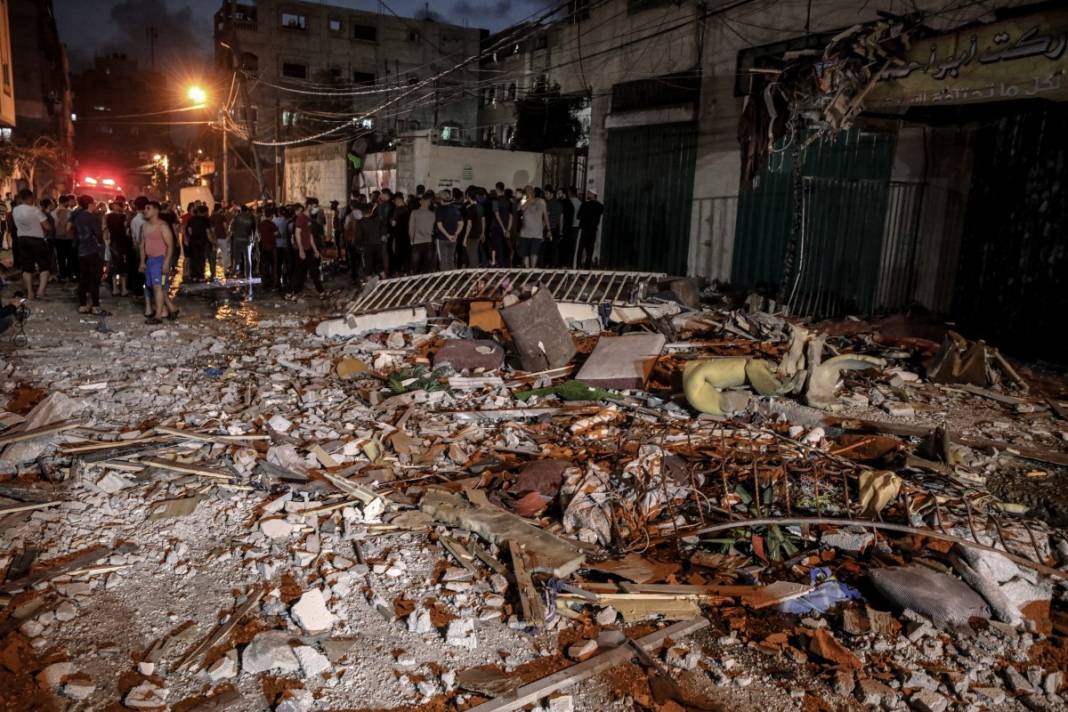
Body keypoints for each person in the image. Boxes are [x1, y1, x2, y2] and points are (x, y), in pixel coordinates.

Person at [139, 200, 178, 323]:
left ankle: (158, 316)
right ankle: (173, 309)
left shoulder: (163, 226)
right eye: (145, 208)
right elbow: (142, 245)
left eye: (148, 208)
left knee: (158, 287)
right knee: (158, 287)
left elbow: (170, 245)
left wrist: (166, 263)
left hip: (160, 260)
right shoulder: (144, 226)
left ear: (156, 210)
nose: (145, 210)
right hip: (150, 260)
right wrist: (142, 262)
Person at [11, 189, 51, 299]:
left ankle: (30, 292)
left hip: (22, 239)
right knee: (44, 266)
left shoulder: (15, 210)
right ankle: (40, 291)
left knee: (27, 267)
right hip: (37, 239)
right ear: (30, 198)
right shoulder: (35, 210)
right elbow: (47, 226)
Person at [72, 194, 107, 314]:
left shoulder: (77, 217)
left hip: (81, 251)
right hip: (93, 251)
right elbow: (98, 235)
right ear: (90, 204)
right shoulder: (93, 218)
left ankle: (82, 304)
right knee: (94, 279)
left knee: (83, 278)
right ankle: (95, 306)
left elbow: (75, 234)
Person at [289, 203, 324, 299]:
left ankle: (319, 291)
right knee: (301, 272)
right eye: (314, 206)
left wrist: (315, 249)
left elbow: (310, 236)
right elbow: (297, 234)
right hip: (302, 249)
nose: (315, 209)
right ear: (309, 206)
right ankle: (294, 292)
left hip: (308, 249)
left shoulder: (307, 219)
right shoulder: (301, 218)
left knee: (309, 271)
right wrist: (301, 249)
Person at [518, 187, 550, 268]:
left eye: (531, 191)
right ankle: (528, 270)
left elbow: (545, 216)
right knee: (525, 254)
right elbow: (520, 208)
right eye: (527, 191)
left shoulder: (541, 201)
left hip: (537, 233)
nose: (530, 192)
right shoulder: (524, 200)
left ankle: (532, 270)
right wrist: (526, 199)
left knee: (534, 253)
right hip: (525, 233)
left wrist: (548, 229)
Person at [105, 201, 132, 296]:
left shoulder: (111, 217)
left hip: (117, 242)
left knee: (117, 265)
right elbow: (124, 228)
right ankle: (121, 288)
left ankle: (117, 288)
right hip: (119, 243)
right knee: (120, 265)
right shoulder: (116, 217)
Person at [408, 192, 436, 273]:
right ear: (429, 203)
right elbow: (434, 229)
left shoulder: (414, 213)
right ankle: (426, 282)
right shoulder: (433, 214)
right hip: (428, 241)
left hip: (417, 241)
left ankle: (414, 281)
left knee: (414, 265)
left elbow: (411, 228)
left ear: (421, 201)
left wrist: (411, 239)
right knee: (427, 265)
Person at [434, 189, 461, 270]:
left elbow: (439, 225)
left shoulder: (439, 209)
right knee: (451, 258)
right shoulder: (456, 209)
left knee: (443, 259)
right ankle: (451, 278)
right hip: (454, 239)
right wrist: (456, 234)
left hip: (442, 238)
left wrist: (448, 236)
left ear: (441, 199)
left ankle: (445, 279)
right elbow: (461, 223)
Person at [184, 205, 213, 281]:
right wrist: (212, 241)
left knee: (194, 258)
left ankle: (194, 276)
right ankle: (200, 276)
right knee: (201, 259)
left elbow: (189, 230)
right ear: (204, 212)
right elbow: (208, 232)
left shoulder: (191, 219)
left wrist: (192, 237)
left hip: (193, 241)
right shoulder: (205, 220)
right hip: (202, 241)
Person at [576, 190, 604, 269]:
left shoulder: (584, 204)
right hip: (593, 231)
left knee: (580, 249)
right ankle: (587, 268)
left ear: (593, 195)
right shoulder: (600, 206)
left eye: (589, 193)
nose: (588, 194)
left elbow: (578, 216)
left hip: (584, 229)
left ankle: (577, 266)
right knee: (590, 250)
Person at [51, 195, 75, 281]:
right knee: (69, 257)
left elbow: (53, 226)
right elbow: (71, 225)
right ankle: (69, 274)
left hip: (57, 237)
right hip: (68, 237)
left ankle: (62, 274)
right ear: (66, 202)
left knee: (60, 257)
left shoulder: (53, 212)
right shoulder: (70, 212)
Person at [230, 204, 255, 278]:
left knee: (236, 258)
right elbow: (254, 230)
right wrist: (253, 240)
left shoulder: (236, 217)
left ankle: (233, 273)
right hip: (247, 239)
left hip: (237, 239)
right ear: (247, 210)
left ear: (241, 210)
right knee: (248, 258)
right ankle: (248, 275)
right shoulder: (251, 217)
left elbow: (232, 229)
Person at [461, 186, 484, 268]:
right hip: (478, 233)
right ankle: (475, 274)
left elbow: (469, 225)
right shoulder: (480, 207)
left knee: (471, 255)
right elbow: (483, 220)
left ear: (468, 196)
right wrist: (482, 232)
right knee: (474, 253)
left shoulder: (470, 208)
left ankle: (475, 275)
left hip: (471, 234)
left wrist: (465, 238)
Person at [488, 189, 512, 267]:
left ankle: (500, 266)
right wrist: (508, 229)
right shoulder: (509, 201)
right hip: (506, 228)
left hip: (496, 228)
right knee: (506, 248)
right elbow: (511, 216)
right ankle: (506, 266)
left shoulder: (495, 201)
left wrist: (503, 228)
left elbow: (496, 215)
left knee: (498, 248)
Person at [388, 192, 410, 274]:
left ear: (398, 200)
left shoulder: (396, 210)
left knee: (398, 252)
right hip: (407, 235)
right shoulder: (408, 209)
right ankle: (406, 270)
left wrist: (390, 220)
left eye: (395, 201)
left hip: (398, 235)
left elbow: (393, 223)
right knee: (406, 253)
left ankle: (398, 270)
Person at [258, 207, 279, 288]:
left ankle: (264, 282)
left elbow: (260, 234)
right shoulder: (272, 224)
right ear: (271, 215)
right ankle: (273, 282)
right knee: (273, 265)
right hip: (272, 247)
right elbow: (277, 234)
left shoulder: (262, 224)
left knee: (264, 265)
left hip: (263, 246)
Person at [210, 203, 229, 277]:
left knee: (213, 256)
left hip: (214, 239)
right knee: (225, 254)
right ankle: (225, 271)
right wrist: (227, 234)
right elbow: (225, 227)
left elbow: (211, 229)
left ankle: (213, 273)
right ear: (220, 209)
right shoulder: (222, 217)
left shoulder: (211, 217)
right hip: (222, 238)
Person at [558, 188, 575, 268]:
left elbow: (562, 217)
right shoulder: (569, 204)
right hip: (568, 228)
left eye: (559, 193)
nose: (558, 195)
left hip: (564, 228)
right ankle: (564, 264)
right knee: (565, 248)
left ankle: (561, 264)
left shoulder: (562, 204)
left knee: (562, 247)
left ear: (564, 194)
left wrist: (561, 229)